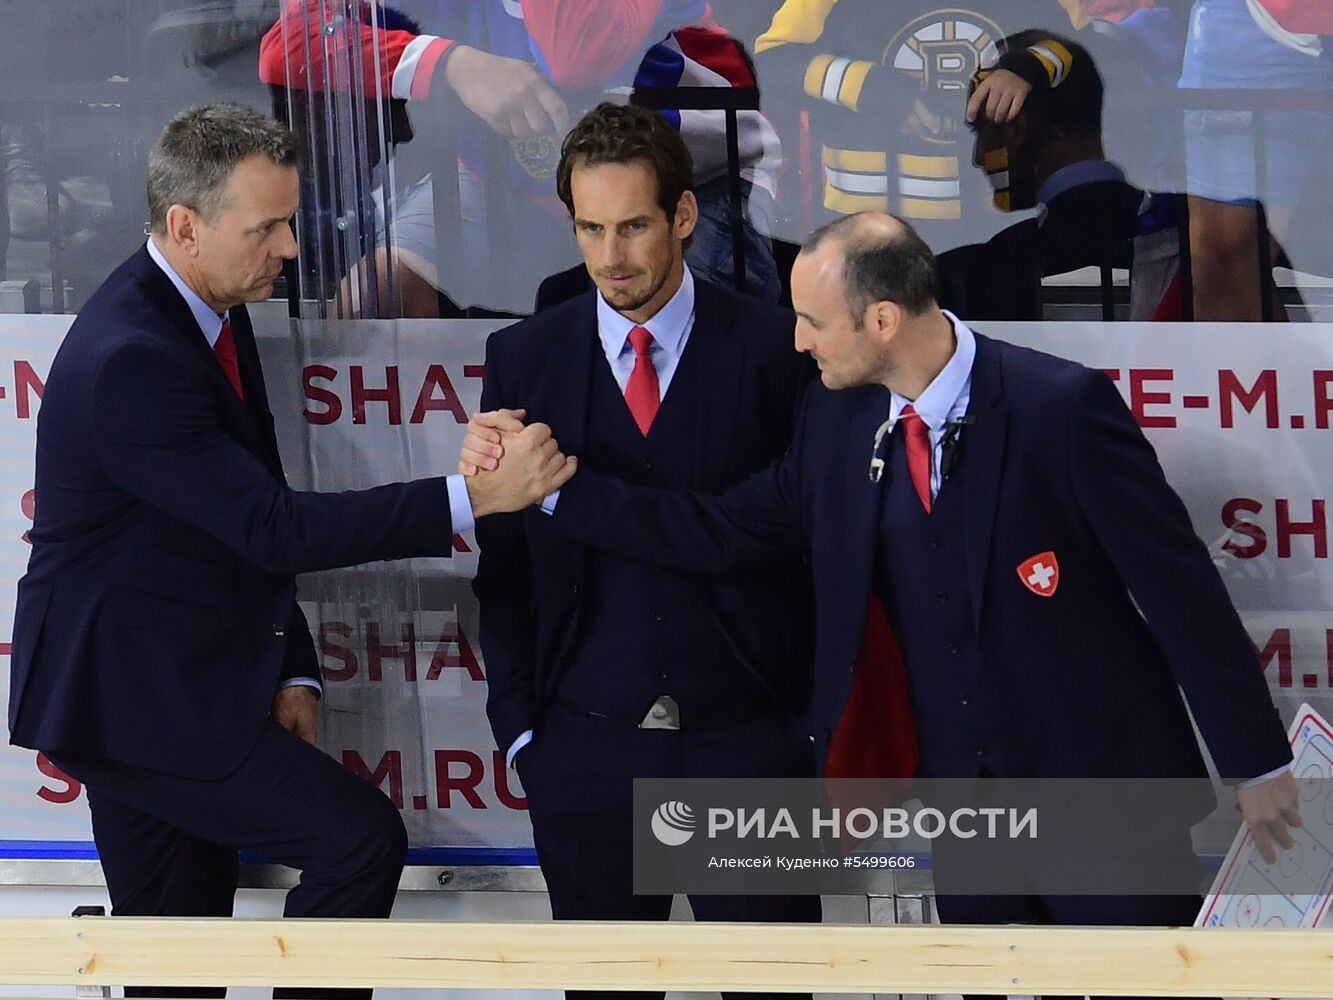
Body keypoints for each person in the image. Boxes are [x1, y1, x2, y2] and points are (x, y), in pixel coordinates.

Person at [464, 212, 1301, 986]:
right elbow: (713, 529)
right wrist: (550, 493)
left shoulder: (1060, 408)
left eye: (813, 322)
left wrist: (1256, 761)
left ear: (882, 321)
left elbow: (1180, 590)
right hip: (968, 821)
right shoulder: (835, 429)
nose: (796, 343)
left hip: (1106, 802)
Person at [6, 103, 571, 998]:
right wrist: (473, 498)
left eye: (290, 222)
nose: (289, 250)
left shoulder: (210, 307)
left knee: (175, 955)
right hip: (131, 700)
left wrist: (293, 672)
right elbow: (271, 525)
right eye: (265, 227)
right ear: (186, 226)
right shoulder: (135, 358)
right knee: (357, 844)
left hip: (164, 685)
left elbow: (232, 524)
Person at [471, 101, 818, 1000]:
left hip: (747, 749)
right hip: (583, 756)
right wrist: (522, 733)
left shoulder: (776, 351)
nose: (610, 255)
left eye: (632, 225)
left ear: (684, 217)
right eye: (590, 228)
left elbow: (792, 540)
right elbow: (503, 570)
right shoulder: (523, 357)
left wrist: (800, 732)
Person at [938, 30, 1159, 320]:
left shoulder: (969, 278)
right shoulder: (1188, 231)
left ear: (1016, 128)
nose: (978, 157)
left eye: (982, 131)